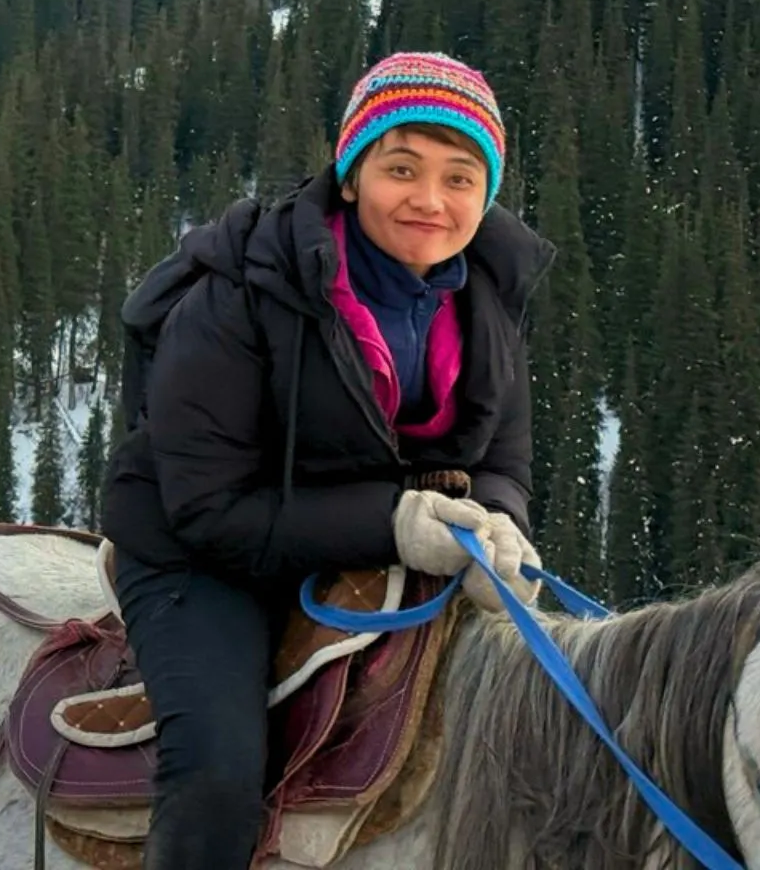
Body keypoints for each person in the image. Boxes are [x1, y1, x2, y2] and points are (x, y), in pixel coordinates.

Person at [98, 51, 554, 870]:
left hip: (378, 544)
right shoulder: (242, 289)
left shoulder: (486, 297)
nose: (429, 200)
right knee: (217, 775)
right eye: (401, 167)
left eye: (460, 177)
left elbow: (501, 461)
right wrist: (396, 523)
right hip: (199, 556)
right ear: (349, 174)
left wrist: (501, 532)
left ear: (486, 195)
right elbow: (208, 506)